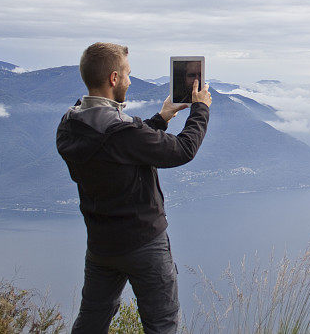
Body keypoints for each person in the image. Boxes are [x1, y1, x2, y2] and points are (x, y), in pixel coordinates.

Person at [56, 42, 212, 333]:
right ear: (114, 78)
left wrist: (161, 118)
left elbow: (122, 147)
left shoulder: (70, 124)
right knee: (161, 325)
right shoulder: (122, 131)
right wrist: (200, 109)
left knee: (92, 320)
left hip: (102, 244)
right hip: (144, 244)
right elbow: (182, 150)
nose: (129, 79)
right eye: (127, 73)